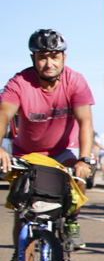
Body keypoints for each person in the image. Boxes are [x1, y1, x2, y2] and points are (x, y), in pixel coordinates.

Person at [0, 29, 95, 249]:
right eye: (42, 57)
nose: (49, 63)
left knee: (80, 177)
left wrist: (84, 159)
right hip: (27, 154)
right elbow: (4, 114)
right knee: (24, 215)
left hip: (62, 151)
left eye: (54, 56)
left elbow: (85, 122)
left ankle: (71, 220)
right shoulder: (19, 82)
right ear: (33, 58)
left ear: (63, 57)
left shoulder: (75, 81)